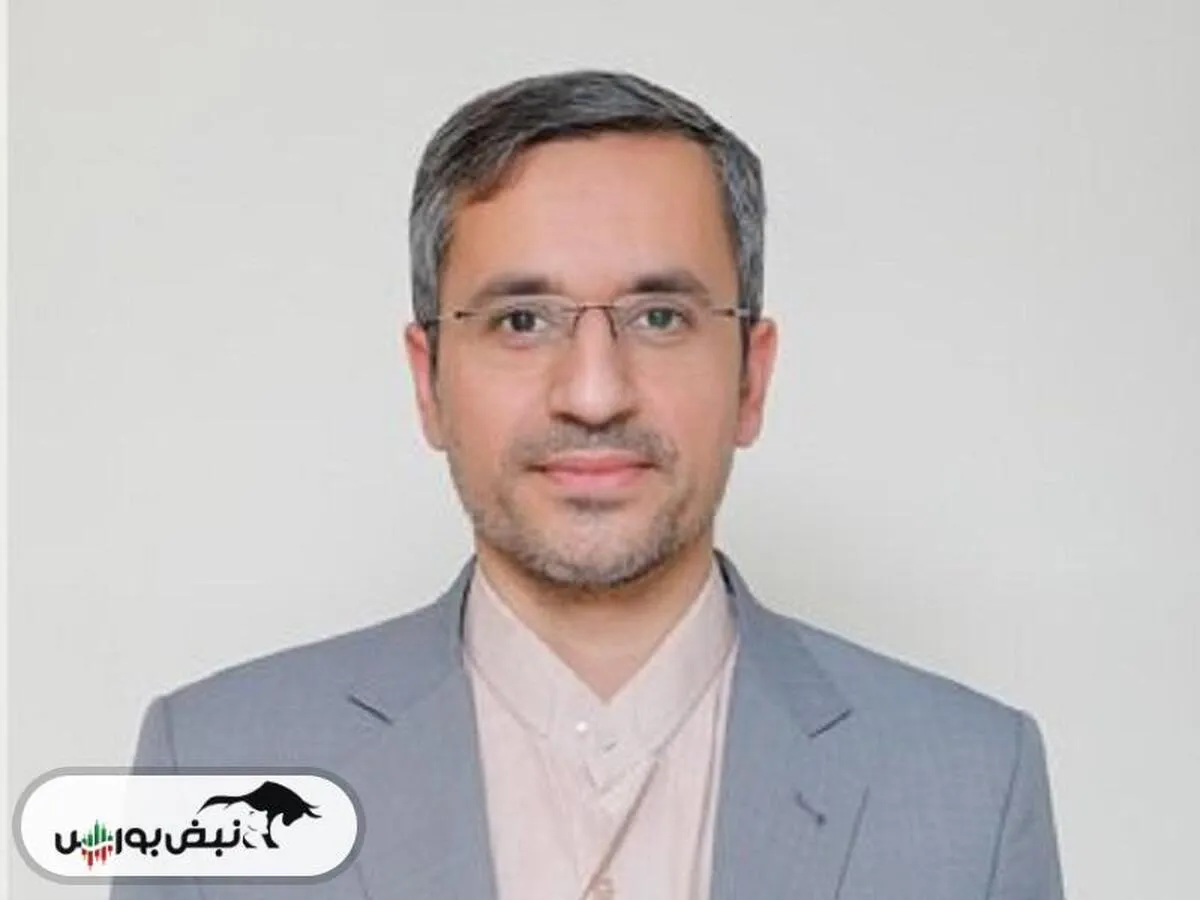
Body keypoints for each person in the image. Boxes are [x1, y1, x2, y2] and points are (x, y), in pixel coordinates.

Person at [113, 70, 1064, 899]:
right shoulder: (210, 767)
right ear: (428, 382)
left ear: (752, 375)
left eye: (660, 317)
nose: (595, 394)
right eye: (523, 320)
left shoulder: (976, 785)